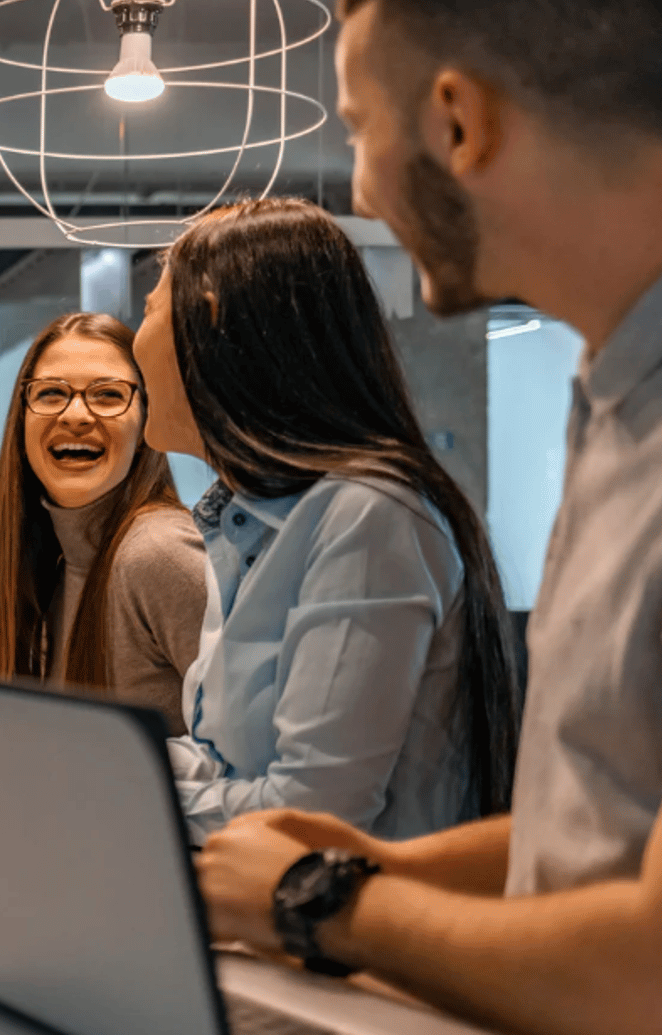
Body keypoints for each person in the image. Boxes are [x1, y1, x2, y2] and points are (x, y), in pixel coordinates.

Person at [194, 0, 662, 1031]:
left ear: (458, 121)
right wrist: (376, 865)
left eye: (357, 127)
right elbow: (609, 821)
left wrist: (324, 903)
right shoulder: (630, 386)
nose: (358, 189)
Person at [132, 198, 521, 844]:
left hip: (362, 937)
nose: (132, 337)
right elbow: (228, 763)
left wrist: (119, 799)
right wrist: (100, 764)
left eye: (148, 308)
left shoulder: (369, 516)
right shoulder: (249, 523)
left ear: (209, 322)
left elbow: (315, 814)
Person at [0, 313, 207, 732]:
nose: (75, 415)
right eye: (50, 393)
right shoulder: (60, 559)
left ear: (144, 429)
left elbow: (251, 751)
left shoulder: (158, 554)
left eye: (108, 395)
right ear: (21, 421)